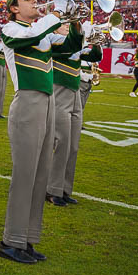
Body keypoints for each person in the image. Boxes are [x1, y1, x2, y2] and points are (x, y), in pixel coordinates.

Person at [0, 0, 81, 264]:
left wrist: (76, 21)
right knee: (25, 175)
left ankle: (28, 239)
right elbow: (31, 35)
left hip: (47, 104)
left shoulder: (42, 32)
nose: (35, 3)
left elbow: (71, 47)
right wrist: (56, 13)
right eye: (27, 0)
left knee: (41, 174)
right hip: (27, 105)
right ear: (14, 8)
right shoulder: (10, 29)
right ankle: (10, 240)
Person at [46, 25, 102, 207]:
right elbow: (70, 46)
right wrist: (81, 36)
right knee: (61, 142)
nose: (67, 27)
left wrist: (96, 42)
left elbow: (95, 56)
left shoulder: (74, 44)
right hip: (60, 92)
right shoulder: (53, 42)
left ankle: (65, 189)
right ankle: (51, 190)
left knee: (73, 145)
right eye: (63, 25)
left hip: (75, 92)